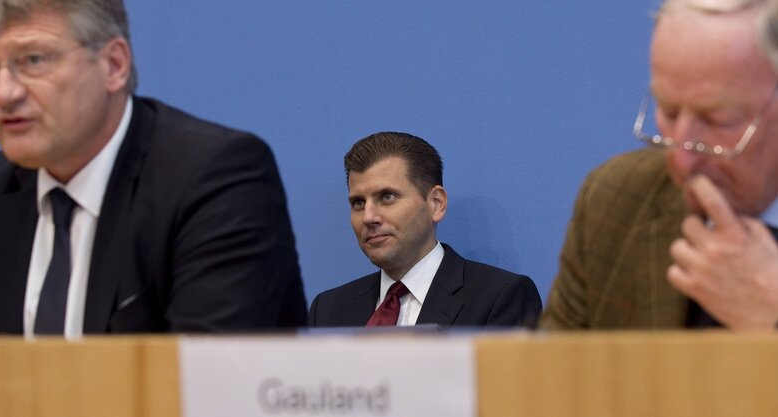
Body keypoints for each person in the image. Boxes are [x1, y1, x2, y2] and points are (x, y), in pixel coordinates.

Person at [0, 0, 307, 336]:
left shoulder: (215, 177)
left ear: (114, 65)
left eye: (33, 60)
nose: (4, 93)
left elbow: (205, 383)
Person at [541, 0, 778, 330]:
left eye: (718, 119)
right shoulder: (616, 201)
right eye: (668, 112)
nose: (681, 158)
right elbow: (552, 376)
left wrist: (771, 318)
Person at [308, 132, 541, 327]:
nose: (368, 217)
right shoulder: (328, 310)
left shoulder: (500, 297)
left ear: (436, 204)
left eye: (387, 197)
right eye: (358, 202)